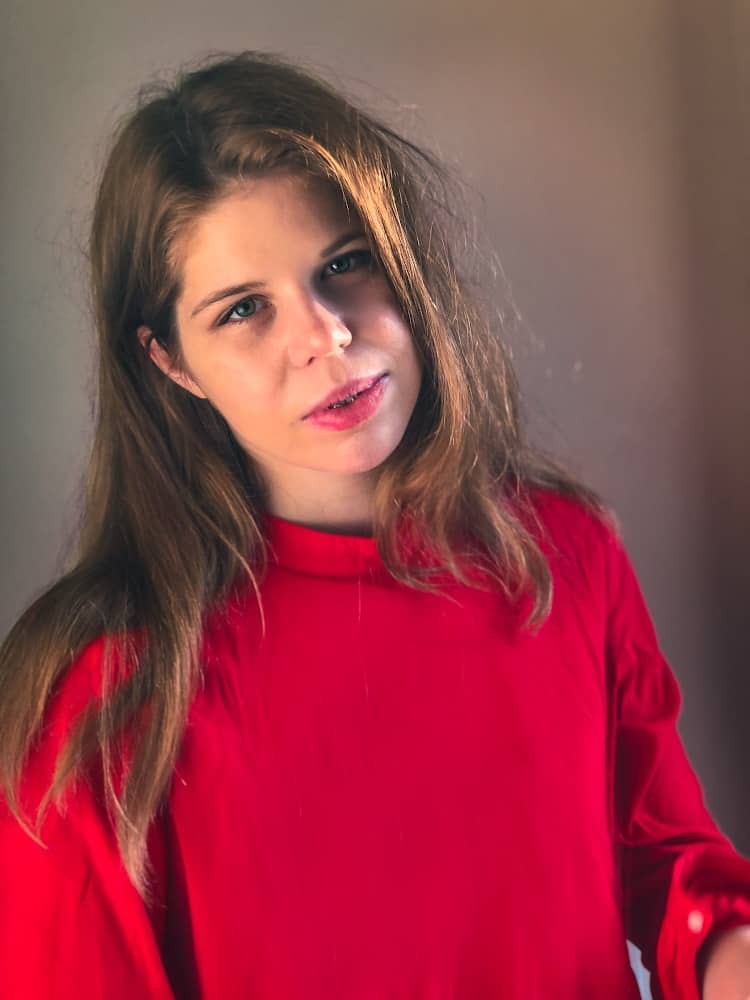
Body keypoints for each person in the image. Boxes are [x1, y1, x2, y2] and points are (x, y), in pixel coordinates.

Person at [0, 50, 749, 1000]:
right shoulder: (99, 693)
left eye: (344, 265)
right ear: (170, 362)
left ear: (405, 262)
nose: (327, 336)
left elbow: (672, 872)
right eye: (244, 310)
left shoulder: (566, 551)